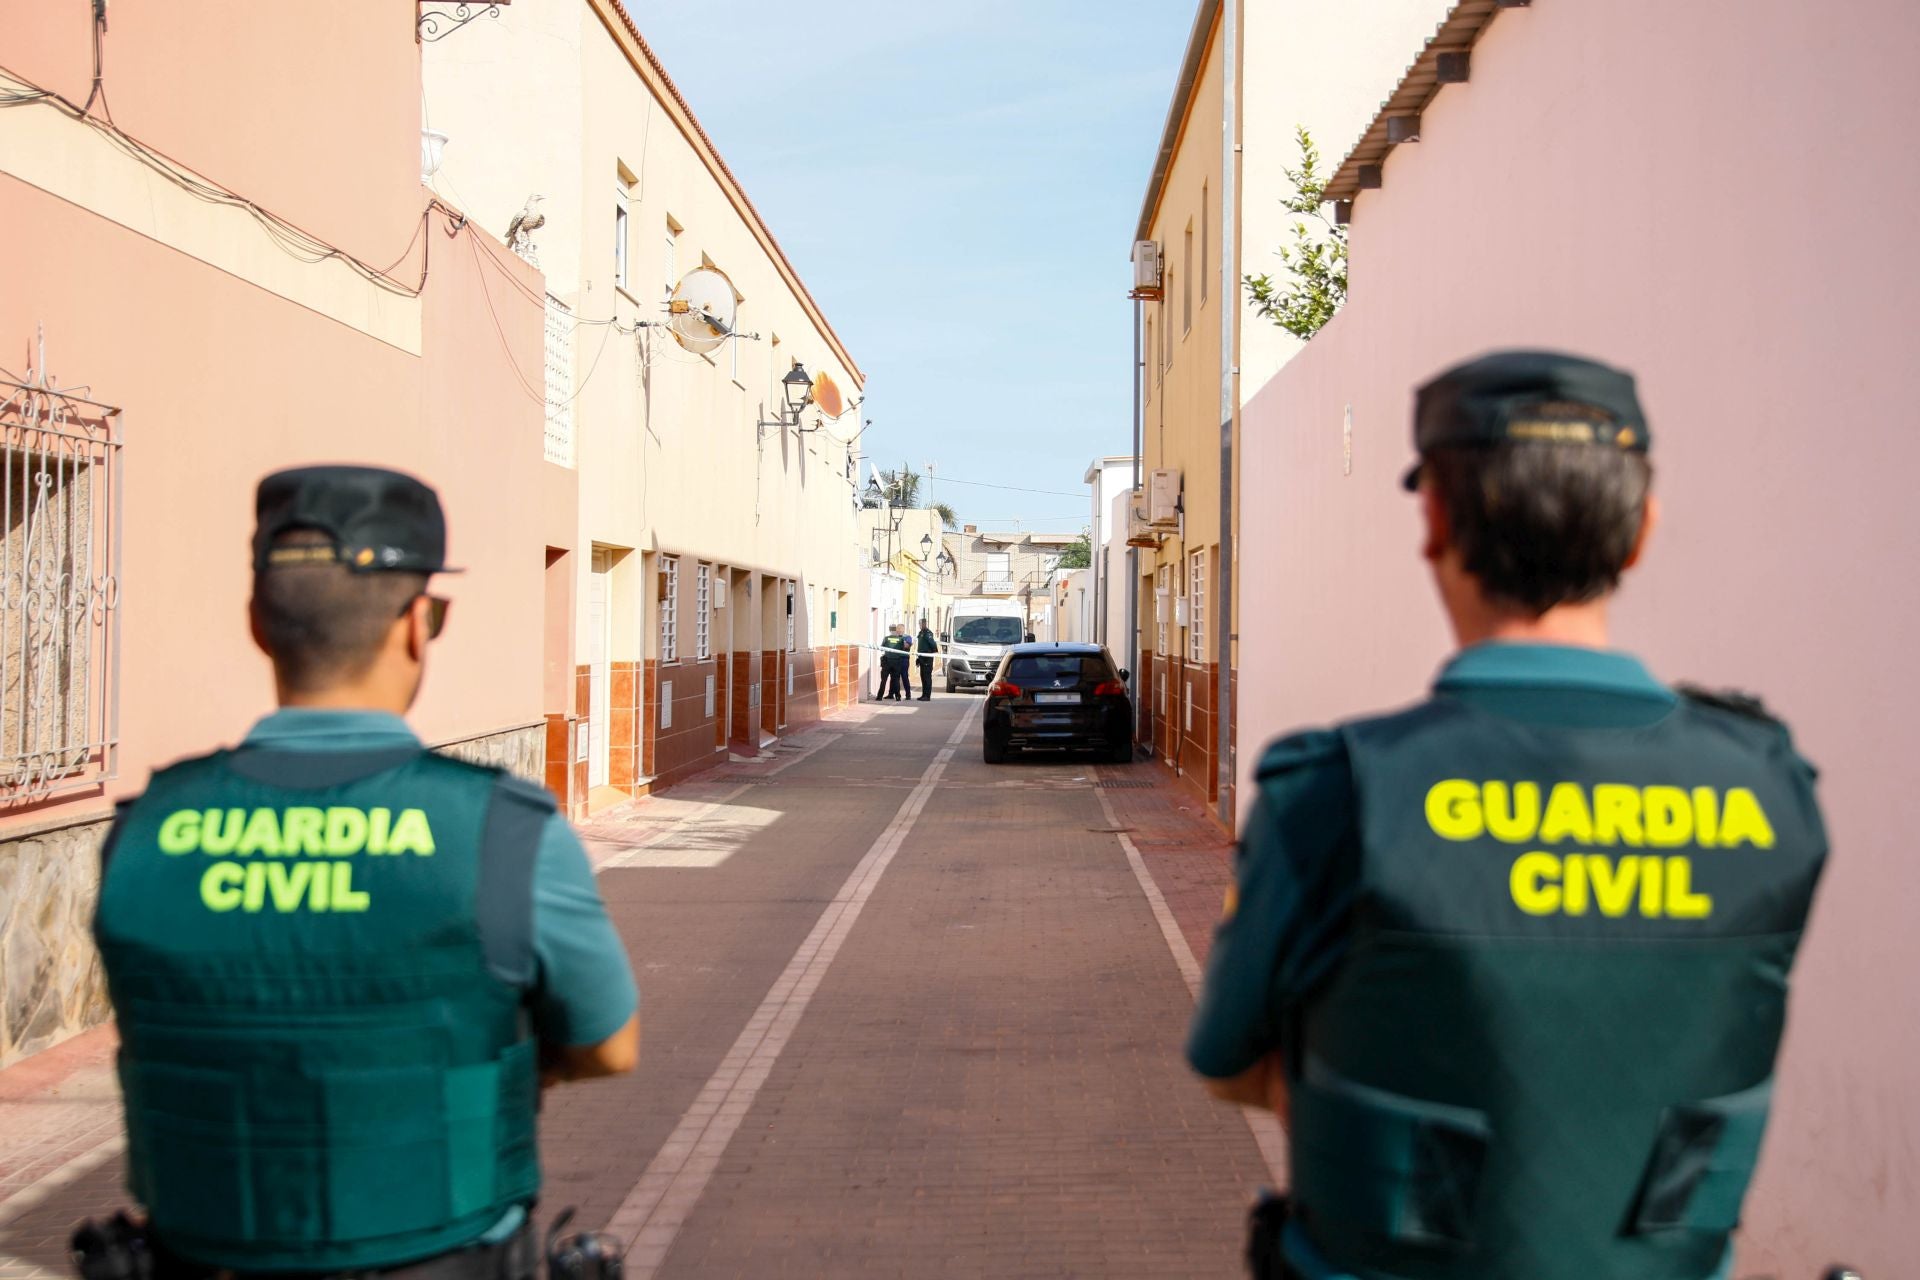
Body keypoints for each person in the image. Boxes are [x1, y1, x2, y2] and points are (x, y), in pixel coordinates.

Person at [1188, 352, 1828, 1280]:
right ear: (1642, 531)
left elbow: (1224, 1052)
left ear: (1436, 521)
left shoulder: (1333, 793)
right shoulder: (1773, 790)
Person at [90, 466, 640, 1280]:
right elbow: (610, 1044)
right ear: (418, 624)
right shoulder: (503, 831)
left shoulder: (144, 832)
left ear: (258, 625)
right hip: (443, 1251)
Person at [880, 622, 912, 700]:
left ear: (903, 630)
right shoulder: (893, 637)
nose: (899, 630)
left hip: (904, 660)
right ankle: (891, 694)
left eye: (900, 629)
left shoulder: (907, 637)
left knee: (904, 677)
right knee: (893, 677)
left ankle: (908, 694)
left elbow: (907, 646)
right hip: (895, 659)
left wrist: (900, 642)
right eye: (898, 629)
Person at [914, 619, 938, 701]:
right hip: (921, 657)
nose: (920, 625)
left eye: (921, 624)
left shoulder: (928, 633)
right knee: (923, 677)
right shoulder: (921, 633)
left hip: (927, 658)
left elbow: (933, 644)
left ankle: (927, 696)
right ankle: (924, 694)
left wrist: (931, 653)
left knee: (927, 677)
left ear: (924, 624)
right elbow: (920, 646)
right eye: (919, 624)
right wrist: (918, 658)